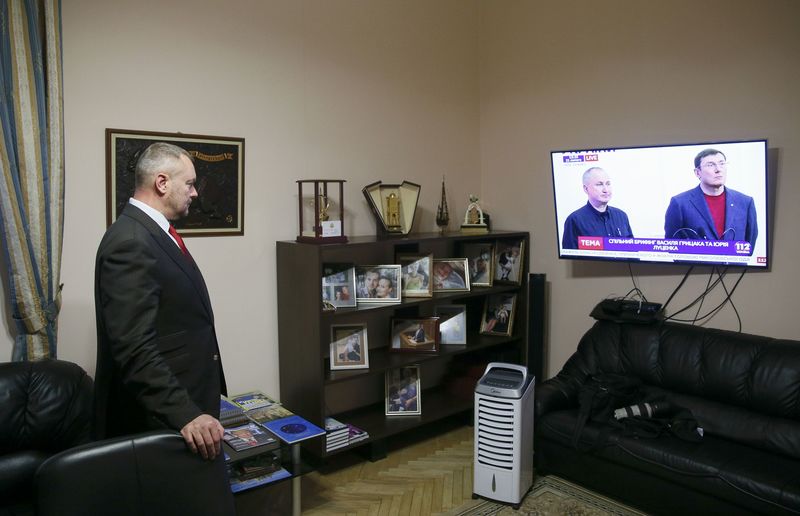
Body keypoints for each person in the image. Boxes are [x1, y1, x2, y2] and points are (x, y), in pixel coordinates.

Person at [94, 142, 229, 469]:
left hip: (188, 397)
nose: (195, 193)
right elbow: (133, 347)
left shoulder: (154, 231)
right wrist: (185, 413)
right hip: (160, 417)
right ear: (162, 182)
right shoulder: (130, 241)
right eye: (190, 183)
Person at [664, 148, 757, 251]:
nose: (718, 169)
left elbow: (749, 244)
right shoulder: (680, 203)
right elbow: (672, 245)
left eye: (722, 164)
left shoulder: (745, 202)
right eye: (710, 165)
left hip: (734, 267)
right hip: (696, 267)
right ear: (698, 172)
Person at [562, 167, 633, 249]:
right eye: (599, 184)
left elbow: (633, 252)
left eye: (608, 183)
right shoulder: (574, 220)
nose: (606, 190)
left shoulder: (621, 216)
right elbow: (571, 258)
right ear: (586, 189)